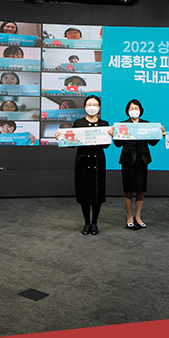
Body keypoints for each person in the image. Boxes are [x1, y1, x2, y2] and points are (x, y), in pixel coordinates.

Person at [60, 95, 110, 236]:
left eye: (95, 104)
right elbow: (72, 144)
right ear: (85, 107)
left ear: (99, 107)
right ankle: (86, 223)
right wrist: (62, 138)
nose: (92, 107)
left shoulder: (104, 123)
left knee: (97, 193)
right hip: (82, 162)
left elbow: (105, 145)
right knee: (84, 193)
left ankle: (95, 223)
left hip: (98, 161)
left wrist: (110, 135)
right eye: (89, 104)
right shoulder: (78, 122)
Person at [111, 99, 162, 230]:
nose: (134, 110)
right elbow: (118, 145)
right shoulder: (122, 124)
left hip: (142, 160)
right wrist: (113, 135)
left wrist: (159, 133)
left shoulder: (147, 124)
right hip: (127, 161)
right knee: (128, 190)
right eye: (131, 108)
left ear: (141, 110)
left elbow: (152, 142)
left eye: (136, 108)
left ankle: (138, 216)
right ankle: (129, 216)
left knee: (140, 190)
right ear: (127, 111)